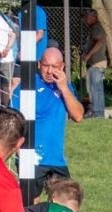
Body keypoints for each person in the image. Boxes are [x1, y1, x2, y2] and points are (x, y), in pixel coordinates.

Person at [31, 46, 84, 186]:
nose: (49, 71)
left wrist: (64, 88)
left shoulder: (64, 86)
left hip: (57, 160)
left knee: (67, 197)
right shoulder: (28, 86)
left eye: (54, 67)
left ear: (62, 67)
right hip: (33, 158)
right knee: (31, 199)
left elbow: (78, 116)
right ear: (39, 64)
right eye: (45, 65)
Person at [81, 9, 107, 118]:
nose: (85, 19)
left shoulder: (96, 28)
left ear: (94, 17)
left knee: (95, 88)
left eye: (87, 17)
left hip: (97, 62)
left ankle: (98, 112)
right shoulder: (93, 28)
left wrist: (89, 54)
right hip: (95, 63)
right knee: (92, 88)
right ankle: (95, 111)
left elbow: (100, 41)